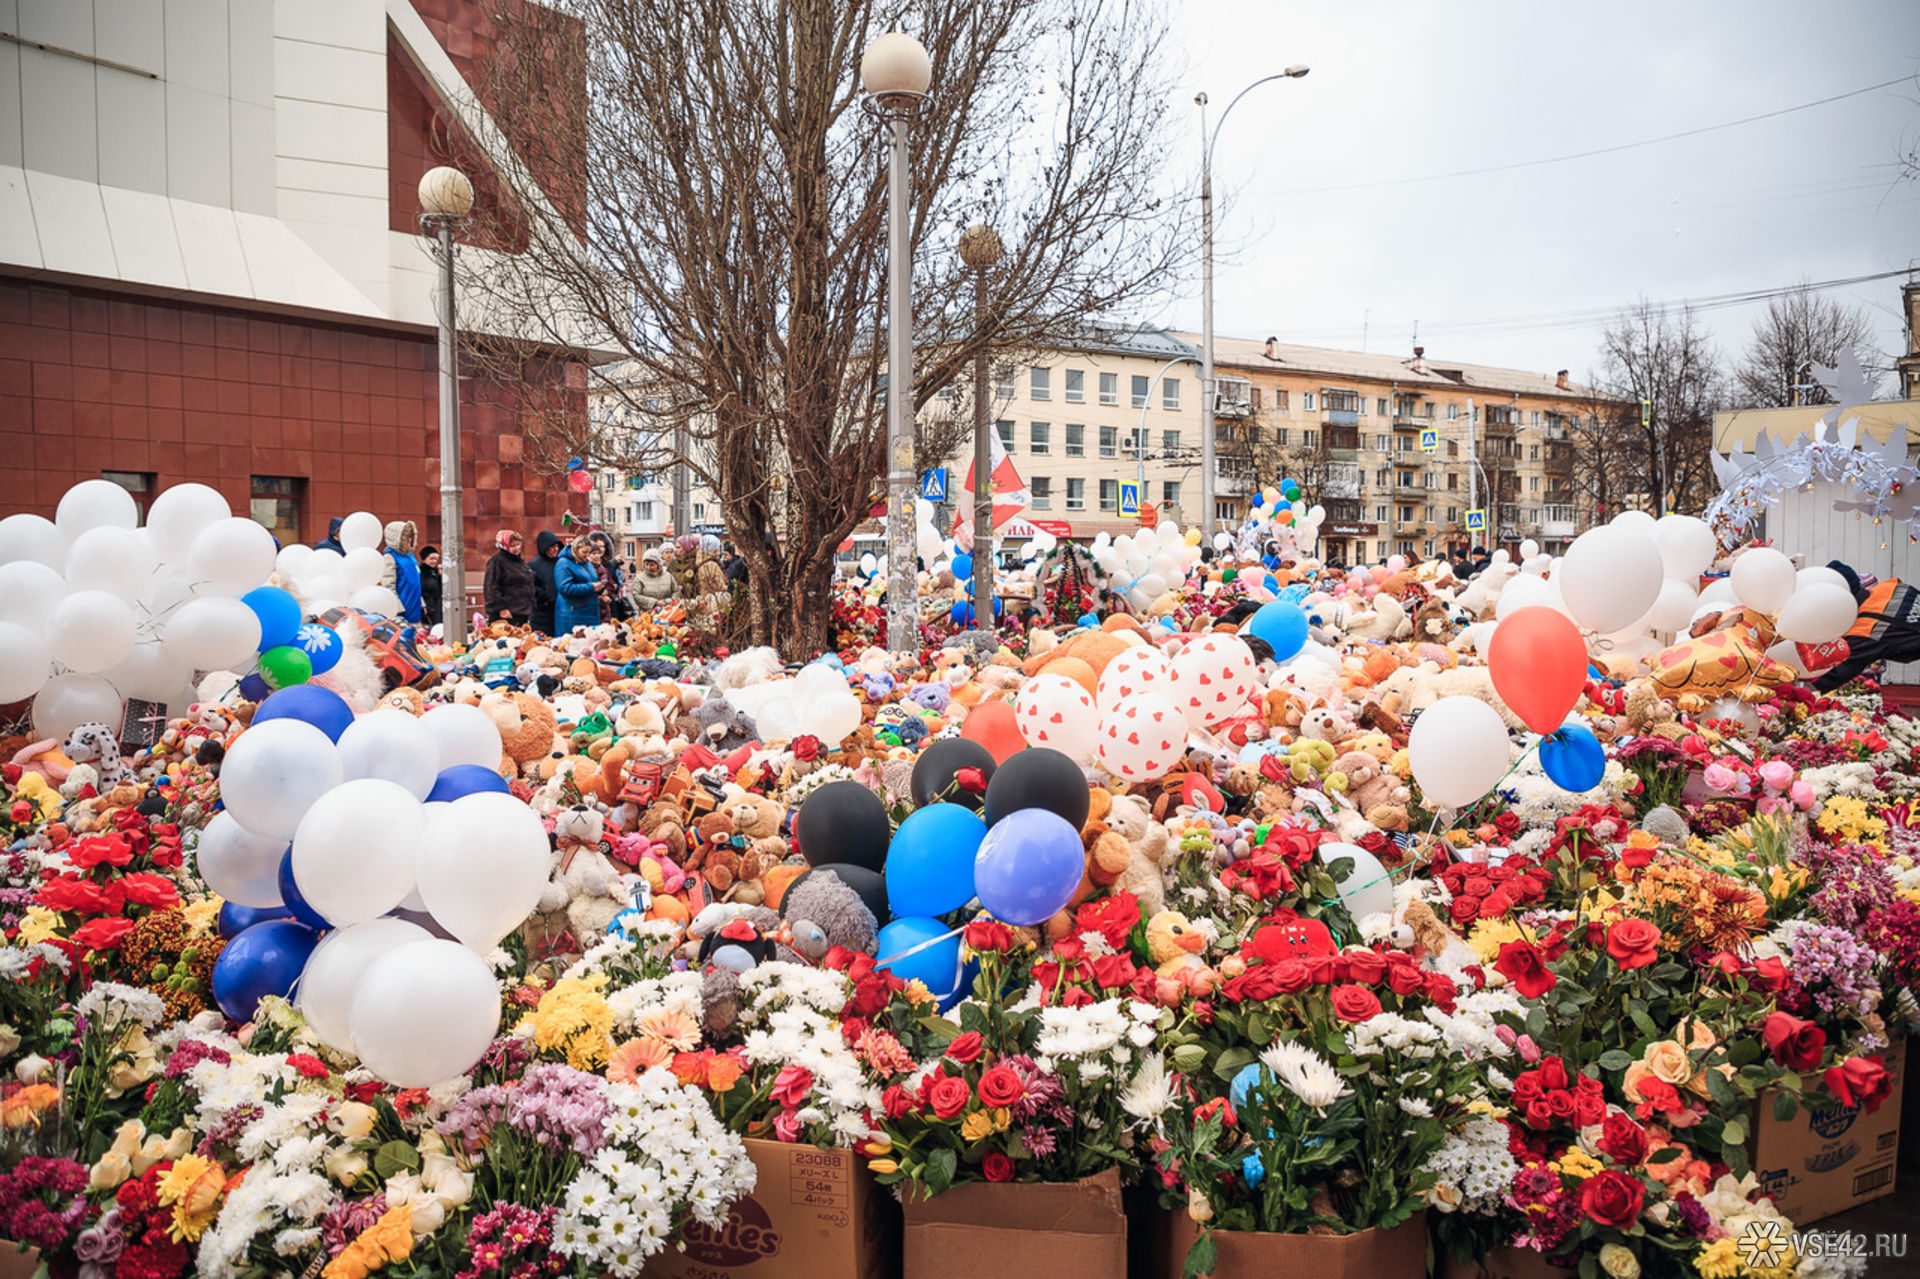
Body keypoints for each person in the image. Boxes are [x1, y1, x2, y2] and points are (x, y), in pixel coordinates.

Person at [483, 529, 535, 626]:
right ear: (505, 546)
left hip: (522, 612)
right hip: (507, 614)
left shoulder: (520, 561)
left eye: (518, 544)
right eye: (512, 545)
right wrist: (501, 608)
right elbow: (491, 586)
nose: (516, 548)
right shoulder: (497, 561)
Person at [554, 535, 604, 634]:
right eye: (584, 552)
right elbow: (565, 588)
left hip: (589, 612)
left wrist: (600, 588)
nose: (586, 555)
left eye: (588, 552)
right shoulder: (563, 563)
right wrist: (592, 587)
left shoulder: (587, 563)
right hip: (572, 614)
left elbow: (592, 580)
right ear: (576, 549)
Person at [378, 521, 423, 623]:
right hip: (402, 613)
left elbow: (416, 583)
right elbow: (388, 587)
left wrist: (422, 603)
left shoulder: (410, 557)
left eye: (411, 537)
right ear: (397, 538)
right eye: (406, 537)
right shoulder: (390, 557)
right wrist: (398, 609)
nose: (409, 540)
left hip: (415, 608)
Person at [531, 530, 562, 635]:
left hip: (560, 610)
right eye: (552, 546)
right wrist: (544, 596)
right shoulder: (533, 564)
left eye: (557, 546)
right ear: (544, 547)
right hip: (542, 613)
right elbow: (530, 586)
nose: (556, 549)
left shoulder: (561, 562)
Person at [418, 544, 444, 630]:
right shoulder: (420, 572)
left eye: (436, 559)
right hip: (427, 607)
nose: (434, 561)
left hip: (438, 607)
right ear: (424, 558)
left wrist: (441, 576)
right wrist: (423, 606)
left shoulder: (437, 571)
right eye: (431, 558)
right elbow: (419, 590)